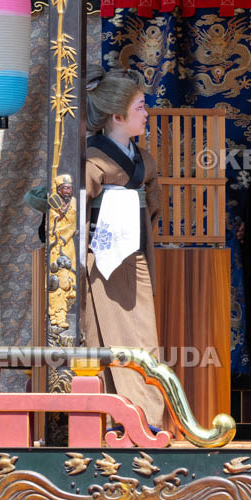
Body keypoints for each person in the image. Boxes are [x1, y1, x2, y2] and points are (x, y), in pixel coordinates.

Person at [82, 68, 167, 430]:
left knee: (142, 335)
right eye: (140, 108)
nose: (146, 114)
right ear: (117, 117)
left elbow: (155, 205)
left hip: (134, 255)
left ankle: (145, 414)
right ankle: (121, 419)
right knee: (109, 335)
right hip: (102, 259)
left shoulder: (142, 161)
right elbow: (74, 212)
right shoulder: (91, 160)